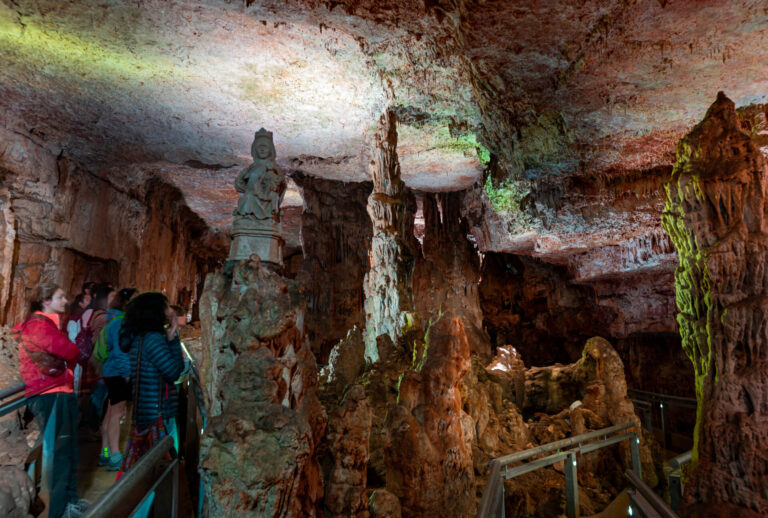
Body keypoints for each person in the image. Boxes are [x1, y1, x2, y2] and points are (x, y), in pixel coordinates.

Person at [13, 283, 88, 518]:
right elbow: (70, 351)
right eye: (60, 297)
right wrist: (69, 354)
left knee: (68, 451)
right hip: (50, 394)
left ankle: (69, 501)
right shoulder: (39, 327)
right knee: (61, 454)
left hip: (57, 392)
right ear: (46, 301)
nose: (65, 301)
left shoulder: (47, 325)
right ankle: (59, 510)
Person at [119, 292, 183, 473]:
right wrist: (173, 339)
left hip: (145, 410)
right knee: (160, 466)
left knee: (146, 465)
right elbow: (172, 372)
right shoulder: (154, 340)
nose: (169, 310)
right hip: (158, 411)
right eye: (166, 306)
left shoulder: (139, 338)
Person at [97, 288, 137, 469]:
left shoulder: (112, 319)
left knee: (111, 411)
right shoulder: (121, 323)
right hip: (118, 373)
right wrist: (128, 374)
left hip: (110, 371)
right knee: (118, 413)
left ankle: (104, 452)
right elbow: (121, 352)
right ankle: (114, 454)